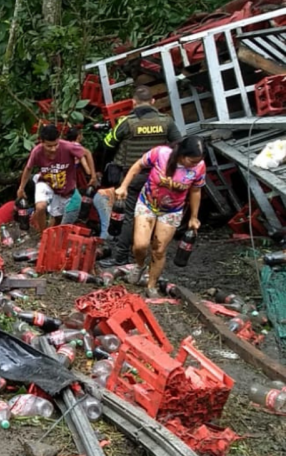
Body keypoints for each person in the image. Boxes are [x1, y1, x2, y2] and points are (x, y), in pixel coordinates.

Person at [97, 85, 182, 266]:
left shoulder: (127, 122)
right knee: (154, 213)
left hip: (131, 176)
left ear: (133, 103)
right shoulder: (166, 122)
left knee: (129, 215)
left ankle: (121, 257)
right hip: (158, 179)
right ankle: (152, 258)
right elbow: (178, 145)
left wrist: (105, 168)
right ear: (153, 102)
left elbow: (108, 144)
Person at [115, 136, 205, 298]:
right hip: (148, 203)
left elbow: (196, 190)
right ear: (182, 154)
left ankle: (151, 285)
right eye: (192, 161)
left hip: (172, 210)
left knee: (159, 250)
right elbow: (137, 166)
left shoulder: (199, 168)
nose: (194, 164)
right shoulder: (160, 153)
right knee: (140, 245)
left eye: (197, 161)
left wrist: (194, 216)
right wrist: (124, 186)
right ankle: (140, 265)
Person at [16, 124, 85, 232]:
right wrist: (21, 188)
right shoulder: (37, 151)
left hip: (63, 187)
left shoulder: (68, 147)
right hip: (46, 182)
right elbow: (28, 169)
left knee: (57, 217)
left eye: (55, 145)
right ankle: (43, 234)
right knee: (40, 207)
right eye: (49, 146)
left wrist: (93, 175)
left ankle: (49, 233)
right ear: (42, 142)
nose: (53, 149)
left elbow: (86, 154)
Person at [61, 127, 98, 226]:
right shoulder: (77, 147)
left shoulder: (64, 145)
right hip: (74, 175)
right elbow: (87, 167)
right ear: (78, 136)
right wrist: (94, 175)